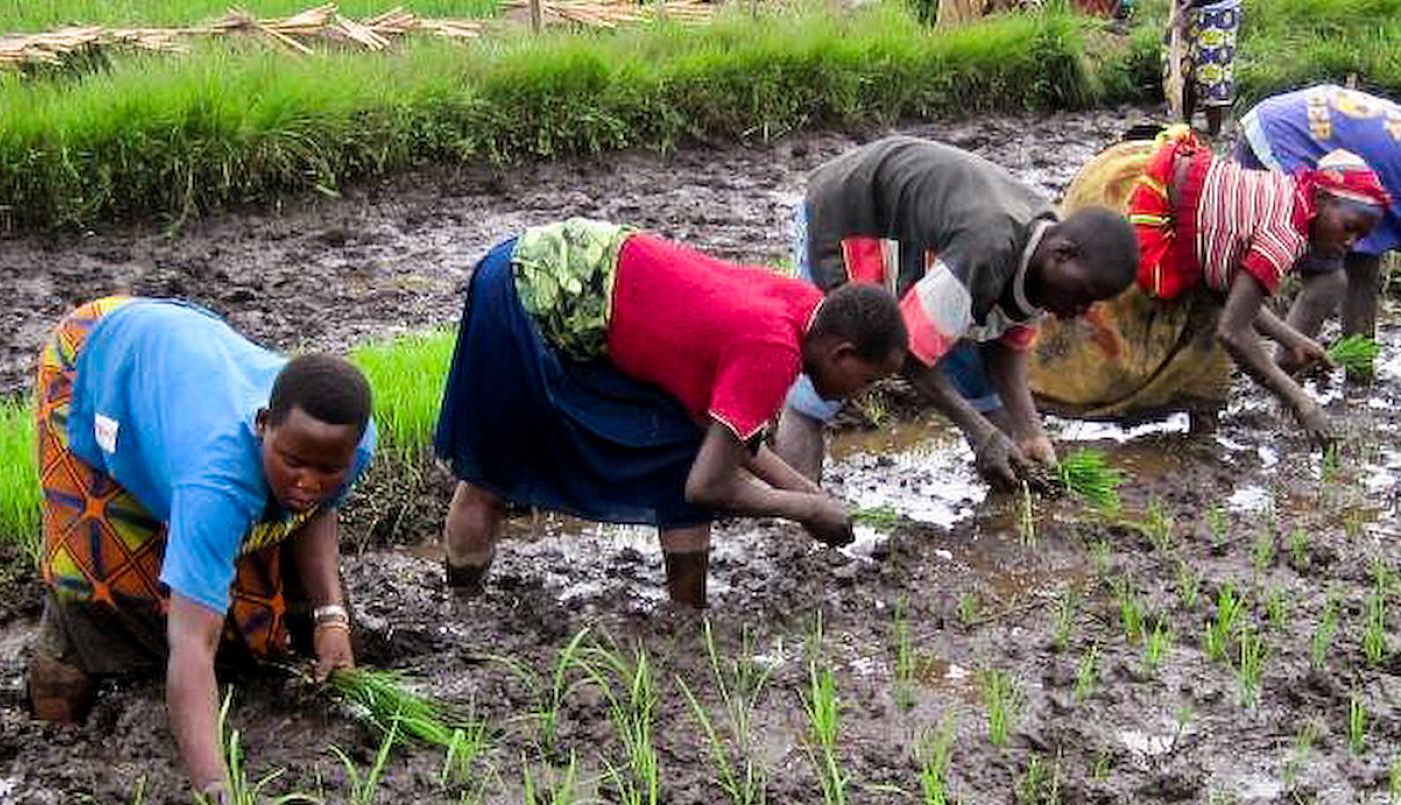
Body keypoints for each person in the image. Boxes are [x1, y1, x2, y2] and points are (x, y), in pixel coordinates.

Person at [24, 296, 376, 805]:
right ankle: (55, 731)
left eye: (329, 468)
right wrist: (213, 788)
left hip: (187, 363)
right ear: (263, 424)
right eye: (293, 462)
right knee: (96, 574)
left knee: (254, 555)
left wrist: (332, 617)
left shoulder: (349, 438)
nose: (309, 481)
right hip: (98, 364)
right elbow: (193, 642)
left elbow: (315, 510)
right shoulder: (215, 478)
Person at [435, 218, 908, 608]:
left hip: (592, 287)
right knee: (493, 471)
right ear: (842, 353)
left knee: (682, 448)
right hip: (530, 289)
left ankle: (686, 614)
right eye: (866, 381)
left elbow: (724, 431)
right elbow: (709, 486)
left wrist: (809, 493)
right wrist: (804, 508)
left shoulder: (808, 312)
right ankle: (464, 607)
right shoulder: (774, 348)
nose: (859, 395)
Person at [772, 136, 1140, 489]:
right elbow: (908, 353)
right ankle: (798, 520)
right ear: (1062, 255)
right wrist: (979, 432)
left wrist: (1030, 432)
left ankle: (1010, 498)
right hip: (852, 211)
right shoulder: (987, 250)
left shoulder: (1041, 256)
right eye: (1085, 295)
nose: (1081, 311)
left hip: (938, 242)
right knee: (821, 380)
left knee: (982, 386)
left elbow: (1006, 346)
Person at [1030, 127, 1388, 436]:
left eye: (1360, 237)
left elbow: (1235, 298)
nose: (1350, 243)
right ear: (1322, 199)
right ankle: (1031, 404)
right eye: (1349, 227)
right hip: (1134, 202)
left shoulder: (1293, 198)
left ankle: (1200, 430)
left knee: (1204, 313)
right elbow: (1233, 331)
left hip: (1134, 170)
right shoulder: (1284, 236)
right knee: (1103, 332)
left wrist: (1291, 339)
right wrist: (1299, 401)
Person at [1235, 84, 1401, 378]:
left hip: (1286, 123)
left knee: (1361, 259)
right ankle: (1283, 378)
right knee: (1328, 278)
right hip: (1288, 144)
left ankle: (1359, 374)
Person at [1166, 0, 1241, 136]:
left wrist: (1183, 9)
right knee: (1185, 67)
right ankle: (1184, 128)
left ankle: (1214, 134)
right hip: (1189, 8)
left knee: (1212, 73)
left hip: (1217, 10)